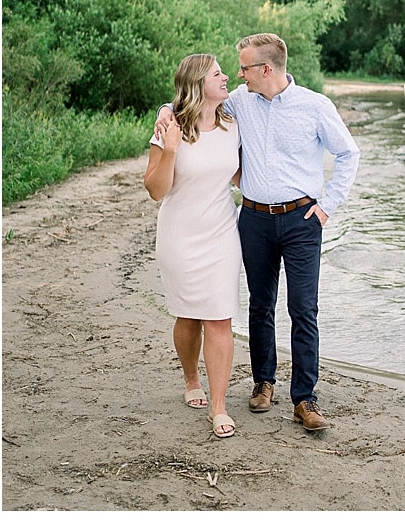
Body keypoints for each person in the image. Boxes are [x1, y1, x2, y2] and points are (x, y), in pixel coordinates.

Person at [157, 33, 359, 431]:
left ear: (265, 69)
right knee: (259, 306)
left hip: (303, 221)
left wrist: (327, 207)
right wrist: (166, 109)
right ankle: (263, 383)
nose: (237, 75)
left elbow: (349, 153)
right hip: (253, 220)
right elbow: (192, 98)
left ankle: (305, 399)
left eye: (245, 68)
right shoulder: (238, 104)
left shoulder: (315, 106)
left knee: (304, 309)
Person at [144, 55, 242, 439]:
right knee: (188, 316)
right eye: (218, 73)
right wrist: (169, 149)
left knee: (219, 317)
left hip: (221, 234)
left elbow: (238, 174)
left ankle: (219, 406)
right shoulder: (170, 127)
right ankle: (190, 379)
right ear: (199, 83)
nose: (226, 77)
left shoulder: (232, 123)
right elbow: (155, 190)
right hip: (179, 236)